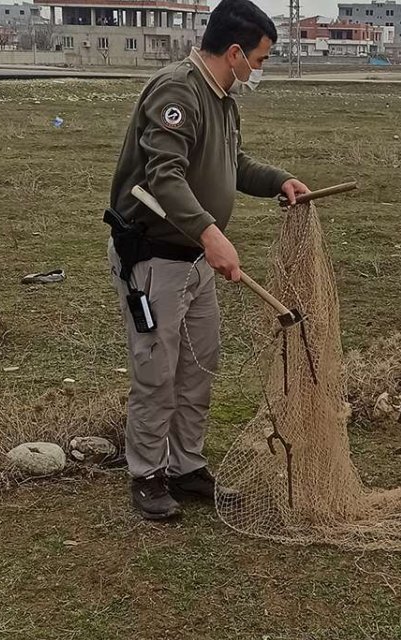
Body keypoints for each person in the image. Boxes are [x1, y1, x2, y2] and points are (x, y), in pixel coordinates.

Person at [104, 0, 310, 521]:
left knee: (198, 366)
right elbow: (164, 176)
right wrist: (210, 232)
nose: (258, 70)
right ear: (236, 51)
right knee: (158, 369)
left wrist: (277, 180)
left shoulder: (222, 98)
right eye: (259, 60)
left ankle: (185, 464)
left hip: (195, 260)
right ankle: (146, 474)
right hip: (156, 258)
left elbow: (230, 162)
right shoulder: (178, 90)